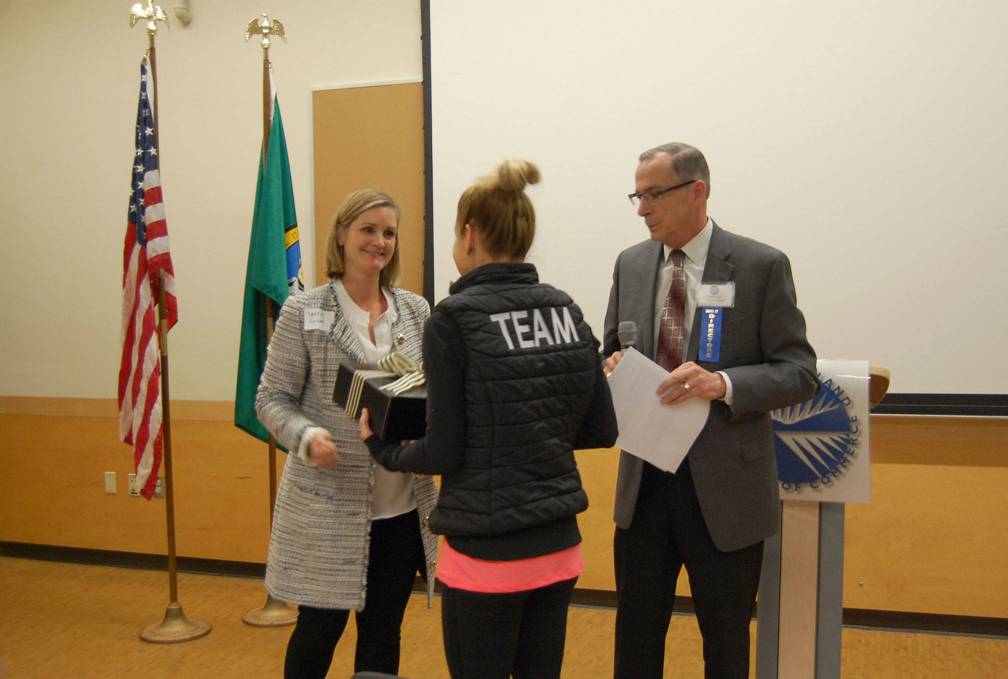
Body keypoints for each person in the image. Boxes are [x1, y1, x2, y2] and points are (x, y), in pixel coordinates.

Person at [360, 160, 617, 679]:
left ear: (470, 235)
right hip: (559, 549)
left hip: (486, 556)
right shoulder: (565, 309)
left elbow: (444, 451)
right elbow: (602, 430)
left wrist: (381, 448)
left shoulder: (454, 319)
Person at [603, 143, 818, 679]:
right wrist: (609, 368)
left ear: (696, 191)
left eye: (653, 194)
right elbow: (610, 347)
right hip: (645, 484)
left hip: (724, 494)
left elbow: (798, 371)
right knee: (635, 636)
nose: (642, 208)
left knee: (724, 644)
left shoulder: (759, 265)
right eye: (638, 194)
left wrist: (720, 383)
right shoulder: (630, 264)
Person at [255, 189, 438, 679]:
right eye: (369, 230)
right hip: (328, 507)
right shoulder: (304, 311)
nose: (380, 242)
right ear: (341, 234)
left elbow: (428, 392)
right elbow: (270, 399)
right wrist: (307, 436)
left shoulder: (416, 311)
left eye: (389, 233)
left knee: (383, 634)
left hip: (402, 508)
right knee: (318, 633)